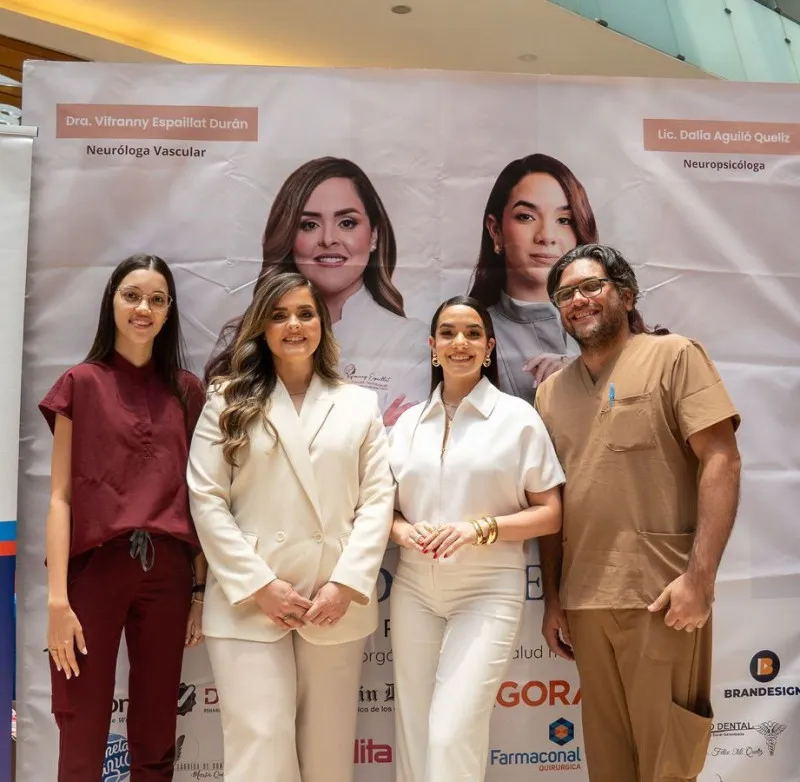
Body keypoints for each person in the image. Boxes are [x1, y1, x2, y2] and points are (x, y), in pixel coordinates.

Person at [534, 244, 742, 782]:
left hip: (663, 596)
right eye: (565, 294)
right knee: (609, 765)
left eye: (590, 286)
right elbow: (551, 504)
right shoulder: (551, 394)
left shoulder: (675, 355)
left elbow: (721, 459)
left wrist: (699, 578)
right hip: (584, 603)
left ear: (624, 295)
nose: (578, 300)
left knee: (668, 762)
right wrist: (555, 600)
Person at [187, 272, 394, 782]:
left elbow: (377, 499)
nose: (294, 325)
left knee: (327, 754)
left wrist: (346, 584)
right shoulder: (227, 399)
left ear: (321, 323)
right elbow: (205, 498)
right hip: (249, 599)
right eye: (279, 315)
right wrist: (260, 585)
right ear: (261, 327)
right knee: (260, 746)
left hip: (334, 601)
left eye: (304, 313)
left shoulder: (358, 404)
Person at [39, 253, 208, 782]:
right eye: (132, 295)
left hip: (169, 574)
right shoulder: (80, 384)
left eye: (157, 299)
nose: (143, 308)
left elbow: (201, 499)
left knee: (157, 730)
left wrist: (198, 593)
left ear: (169, 312)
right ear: (111, 299)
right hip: (94, 571)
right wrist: (57, 600)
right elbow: (61, 498)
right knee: (82, 726)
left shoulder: (187, 392)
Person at [387, 295, 565, 782]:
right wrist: (405, 531)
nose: (458, 343)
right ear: (432, 346)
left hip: (488, 590)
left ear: (488, 347)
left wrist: (479, 529)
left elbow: (550, 514)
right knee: (414, 732)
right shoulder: (406, 424)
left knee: (451, 734)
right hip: (415, 590)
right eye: (447, 333)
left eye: (470, 333)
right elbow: (381, 512)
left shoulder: (517, 418)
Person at [206, 156, 430, 426]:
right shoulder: (238, 340)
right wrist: (373, 428)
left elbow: (399, 455)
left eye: (346, 223)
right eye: (309, 225)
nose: (328, 239)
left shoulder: (412, 343)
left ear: (374, 236)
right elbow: (226, 444)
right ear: (289, 237)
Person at [468, 153, 598, 403]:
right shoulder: (471, 335)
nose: (546, 236)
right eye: (526, 216)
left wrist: (583, 371)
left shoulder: (616, 325)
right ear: (495, 230)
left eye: (564, 220)